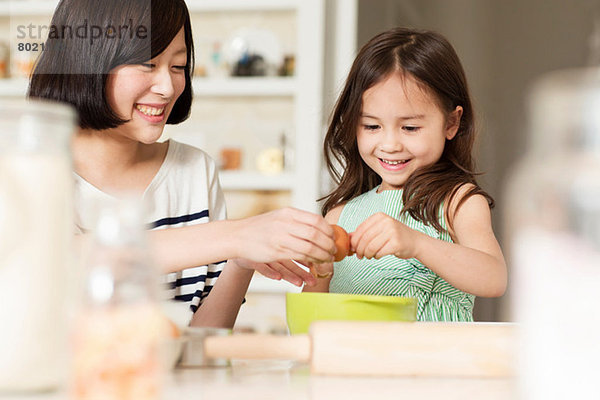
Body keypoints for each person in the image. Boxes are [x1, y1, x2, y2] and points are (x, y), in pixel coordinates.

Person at [28, 0, 337, 327]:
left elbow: (201, 341)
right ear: (87, 60)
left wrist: (240, 262)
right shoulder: (30, 170)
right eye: (148, 64)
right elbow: (59, 258)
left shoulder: (193, 171)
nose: (167, 87)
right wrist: (238, 235)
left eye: (178, 67)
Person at [303, 27, 507, 322]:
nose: (389, 144)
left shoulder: (456, 202)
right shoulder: (339, 216)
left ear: (451, 123)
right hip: (358, 365)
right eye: (371, 126)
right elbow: (309, 322)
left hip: (436, 364)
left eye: (410, 128)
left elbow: (494, 278)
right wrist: (319, 270)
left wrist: (416, 243)